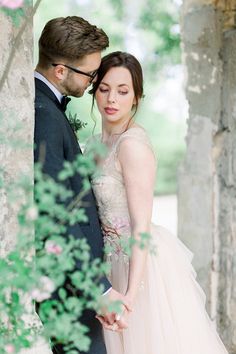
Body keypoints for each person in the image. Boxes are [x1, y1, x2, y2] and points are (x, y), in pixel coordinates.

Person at [87, 51, 229, 354]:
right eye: (104, 88)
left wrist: (130, 298)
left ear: (136, 97)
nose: (112, 99)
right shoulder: (95, 144)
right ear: (94, 89)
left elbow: (141, 226)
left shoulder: (132, 147)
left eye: (123, 91)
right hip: (106, 261)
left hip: (136, 263)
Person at [34, 17, 130, 354]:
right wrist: (100, 291)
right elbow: (57, 211)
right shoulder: (43, 114)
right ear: (61, 71)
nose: (93, 84)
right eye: (90, 75)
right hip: (70, 290)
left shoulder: (46, 107)